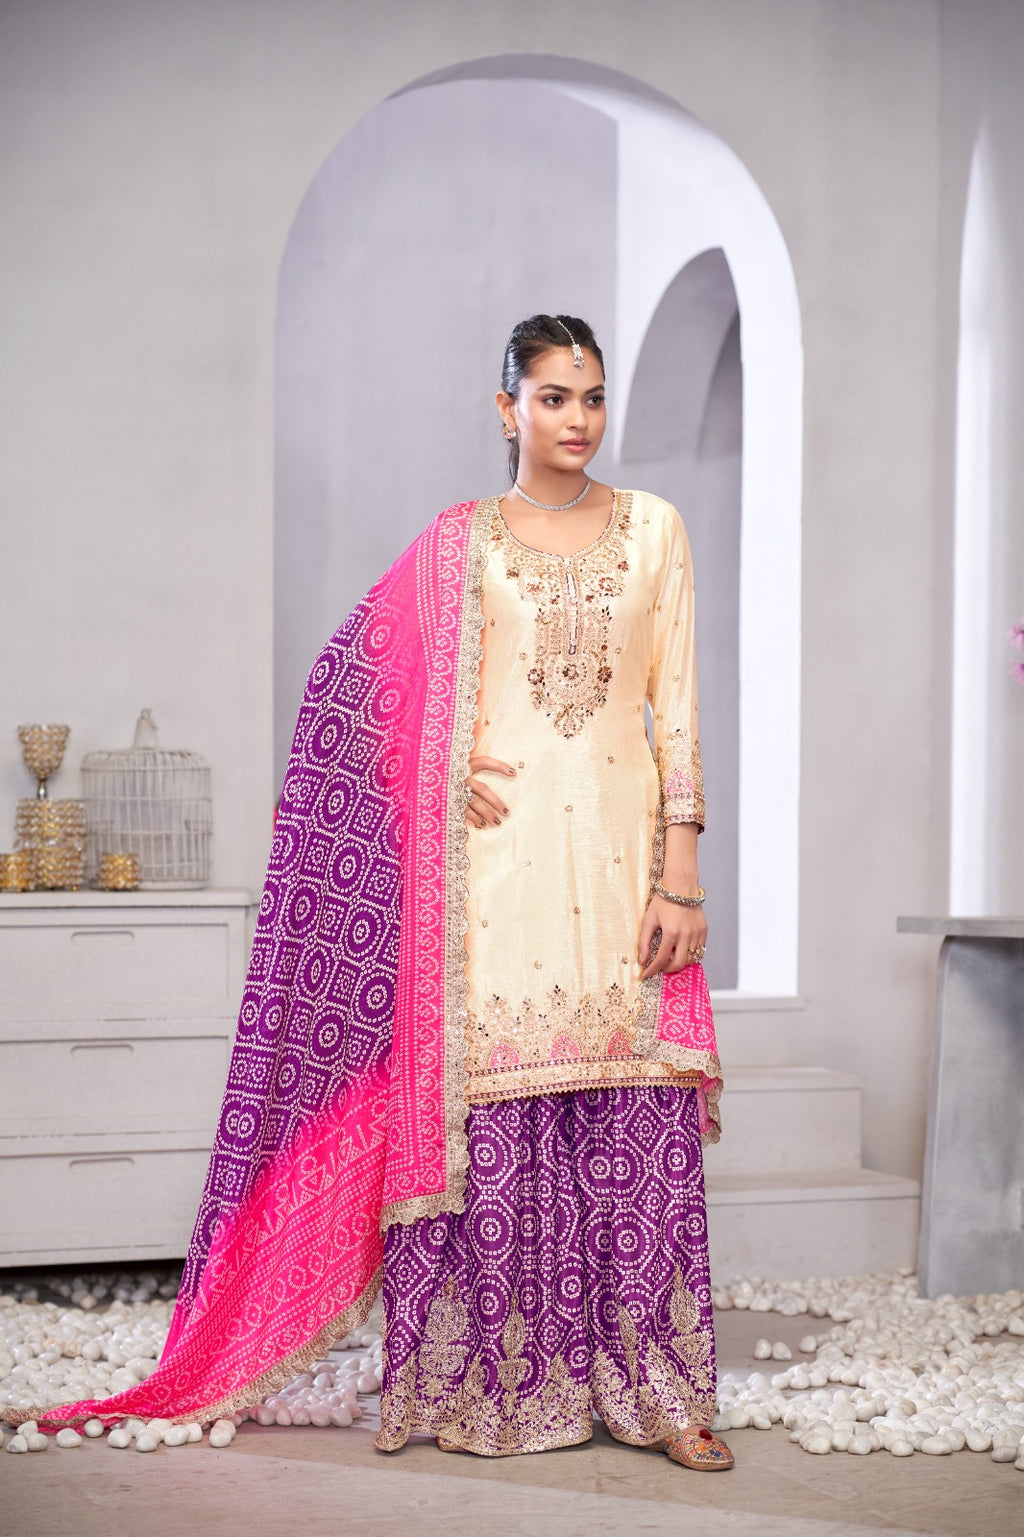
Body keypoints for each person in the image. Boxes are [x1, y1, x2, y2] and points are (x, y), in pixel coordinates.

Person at [15, 314, 729, 1471]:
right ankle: (495, 1386)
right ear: (507, 410)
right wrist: (442, 768)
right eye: (553, 397)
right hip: (489, 892)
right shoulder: (461, 543)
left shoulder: (655, 531)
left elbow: (678, 703)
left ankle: (659, 1389)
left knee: (635, 1112)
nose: (578, 420)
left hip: (618, 870)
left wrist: (681, 870)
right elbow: (346, 697)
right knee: (494, 1124)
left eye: (592, 397)